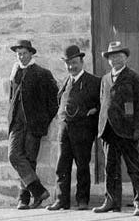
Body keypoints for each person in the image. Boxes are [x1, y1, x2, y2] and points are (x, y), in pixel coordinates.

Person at [95, 42, 139, 216]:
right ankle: (112, 201)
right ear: (108, 60)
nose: (115, 59)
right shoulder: (104, 79)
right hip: (109, 131)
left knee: (134, 168)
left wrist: (138, 129)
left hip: (127, 131)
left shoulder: (134, 78)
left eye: (119, 55)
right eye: (112, 56)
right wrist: (101, 127)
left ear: (125, 57)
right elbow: (103, 103)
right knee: (110, 168)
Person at [7, 39, 58, 209]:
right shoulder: (15, 73)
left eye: (24, 53)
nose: (21, 57)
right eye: (18, 54)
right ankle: (39, 192)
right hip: (17, 123)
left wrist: (43, 119)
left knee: (29, 160)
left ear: (31, 54)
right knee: (13, 155)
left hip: (33, 124)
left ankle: (24, 198)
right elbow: (11, 98)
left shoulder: (42, 73)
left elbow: (54, 101)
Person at [48, 45, 100, 211]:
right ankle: (61, 200)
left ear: (82, 61)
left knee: (82, 165)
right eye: (68, 63)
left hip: (83, 130)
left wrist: (94, 110)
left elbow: (102, 103)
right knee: (62, 165)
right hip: (65, 130)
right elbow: (59, 101)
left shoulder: (93, 82)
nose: (71, 67)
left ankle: (82, 200)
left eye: (74, 63)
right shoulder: (65, 82)